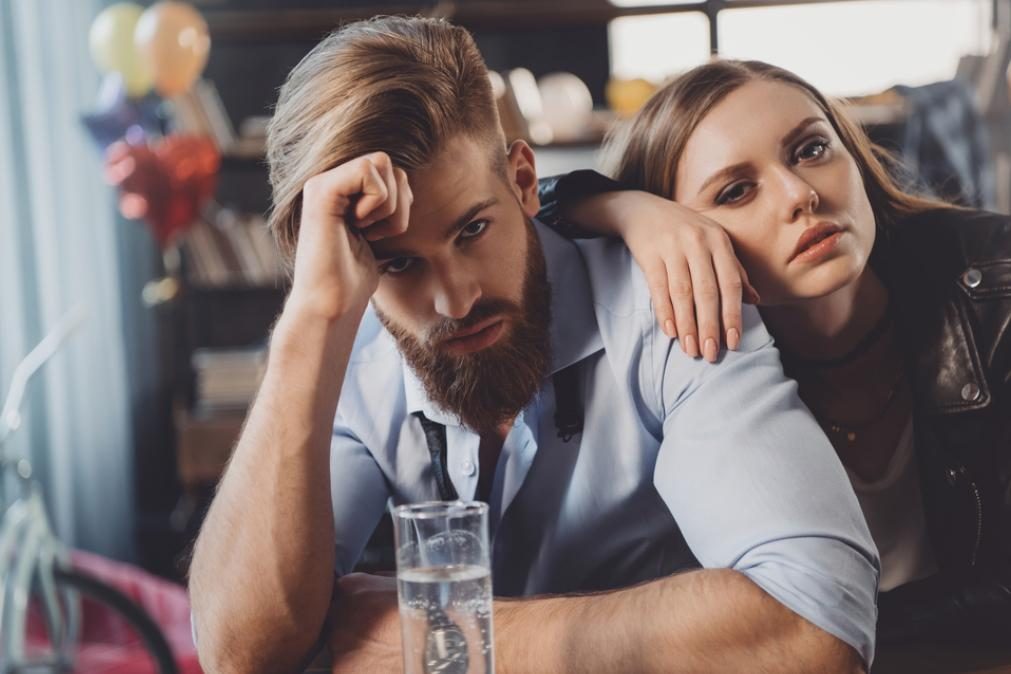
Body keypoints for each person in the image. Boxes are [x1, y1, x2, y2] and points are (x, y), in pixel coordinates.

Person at [187, 19, 879, 673]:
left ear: (522, 180)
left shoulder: (671, 305)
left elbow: (815, 627)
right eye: (398, 264)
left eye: (471, 231)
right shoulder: (345, 347)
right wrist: (308, 325)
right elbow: (243, 655)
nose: (454, 301)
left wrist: (447, 642)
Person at [537, 58, 1011, 644]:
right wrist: (621, 209)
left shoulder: (998, 287)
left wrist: (810, 644)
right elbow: (517, 226)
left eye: (810, 150)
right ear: (679, 241)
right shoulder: (683, 365)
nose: (799, 195)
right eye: (736, 191)